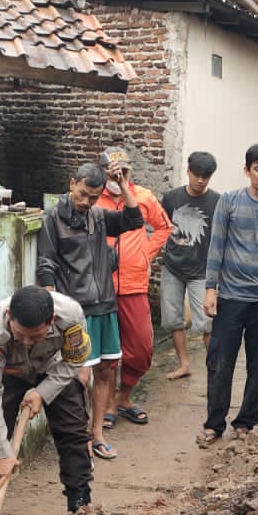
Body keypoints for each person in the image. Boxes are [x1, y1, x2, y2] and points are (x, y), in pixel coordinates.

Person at [0, 284, 95, 515]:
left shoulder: (71, 316)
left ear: (51, 321)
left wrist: (43, 392)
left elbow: (74, 360)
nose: (26, 342)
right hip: (9, 374)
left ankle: (79, 506)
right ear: (9, 316)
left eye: (35, 337)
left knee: (73, 432)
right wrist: (2, 453)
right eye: (20, 335)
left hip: (54, 369)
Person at [37, 161, 142, 462]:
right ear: (72, 183)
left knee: (105, 371)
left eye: (93, 197)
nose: (86, 201)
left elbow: (134, 219)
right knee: (79, 377)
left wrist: (123, 184)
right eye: (83, 194)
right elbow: (46, 264)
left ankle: (97, 434)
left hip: (105, 304)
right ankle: (79, 437)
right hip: (75, 311)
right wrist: (52, 306)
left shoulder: (98, 215)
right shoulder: (53, 218)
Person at [198, 142, 258, 447]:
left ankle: (246, 421)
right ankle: (214, 423)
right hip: (230, 297)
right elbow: (216, 247)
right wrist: (210, 289)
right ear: (247, 170)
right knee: (220, 362)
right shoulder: (228, 203)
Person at [94, 147, 171, 425]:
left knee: (141, 348)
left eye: (123, 171)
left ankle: (123, 396)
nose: (117, 177)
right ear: (102, 173)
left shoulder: (143, 196)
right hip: (101, 285)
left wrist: (145, 254)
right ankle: (108, 405)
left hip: (134, 283)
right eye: (112, 173)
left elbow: (164, 227)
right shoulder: (94, 199)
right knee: (108, 351)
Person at [159, 151, 219, 380]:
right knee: (174, 319)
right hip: (172, 267)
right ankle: (184, 364)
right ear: (188, 171)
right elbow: (163, 227)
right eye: (197, 175)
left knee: (207, 323)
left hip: (202, 271)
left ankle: (216, 369)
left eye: (206, 176)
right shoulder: (171, 198)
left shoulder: (217, 202)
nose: (200, 180)